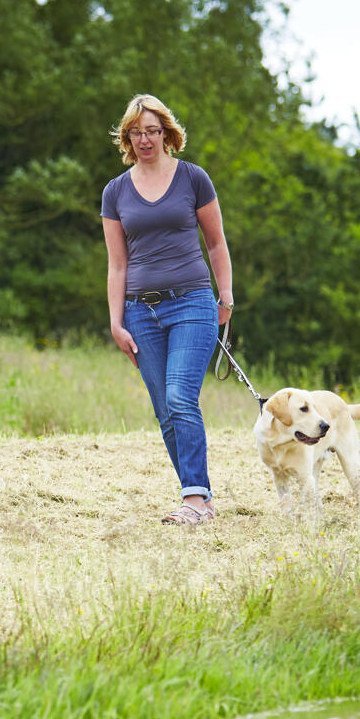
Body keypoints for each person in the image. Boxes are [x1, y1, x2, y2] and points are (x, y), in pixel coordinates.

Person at [100, 93, 234, 525]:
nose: (144, 139)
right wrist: (116, 322)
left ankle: (194, 500)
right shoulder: (115, 192)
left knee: (180, 397)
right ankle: (200, 498)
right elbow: (117, 263)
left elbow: (216, 243)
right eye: (136, 132)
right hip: (141, 313)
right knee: (165, 410)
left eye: (152, 130)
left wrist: (225, 298)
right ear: (127, 136)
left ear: (167, 133)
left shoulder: (194, 179)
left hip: (193, 303)